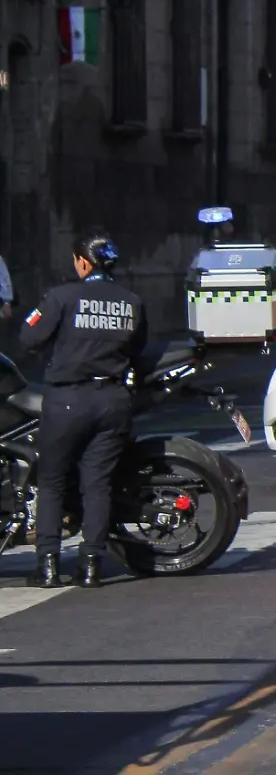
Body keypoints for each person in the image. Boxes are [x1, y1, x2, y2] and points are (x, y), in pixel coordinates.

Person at [19, 230, 145, 589]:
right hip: (112, 401)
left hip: (67, 400)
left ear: (83, 262)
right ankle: (90, 566)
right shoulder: (131, 301)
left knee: (53, 482)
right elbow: (138, 346)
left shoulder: (62, 296)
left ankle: (47, 566)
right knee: (97, 484)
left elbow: (29, 338)